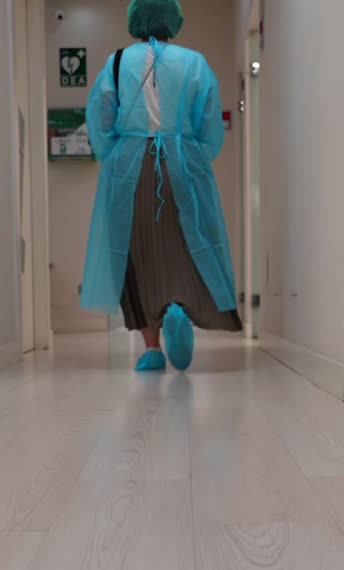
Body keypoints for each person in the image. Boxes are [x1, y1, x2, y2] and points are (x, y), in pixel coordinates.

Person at [80, 0, 242, 372]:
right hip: (182, 162)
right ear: (174, 20)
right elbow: (209, 126)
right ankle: (178, 309)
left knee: (132, 251)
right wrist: (195, 154)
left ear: (134, 20)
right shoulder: (194, 62)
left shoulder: (117, 62)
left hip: (128, 170)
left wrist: (117, 154)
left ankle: (151, 347)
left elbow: (100, 120)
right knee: (189, 243)